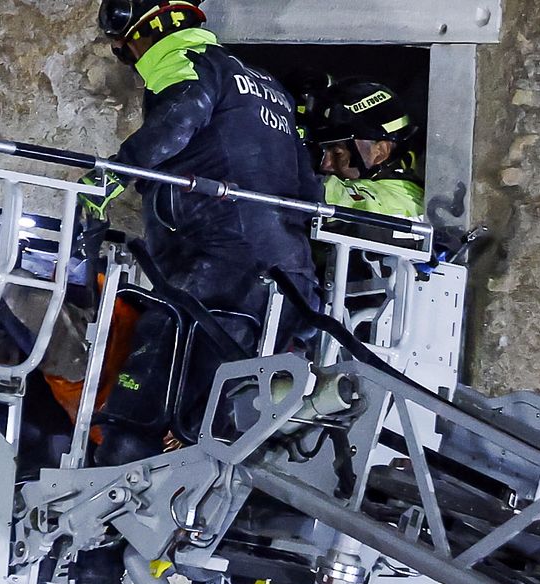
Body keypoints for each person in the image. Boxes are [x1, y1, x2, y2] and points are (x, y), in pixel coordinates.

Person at [85, 0, 322, 467]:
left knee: (145, 403)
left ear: (138, 34)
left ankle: (105, 517)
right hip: (289, 278)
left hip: (216, 269)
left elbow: (179, 119)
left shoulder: (186, 59)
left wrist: (107, 179)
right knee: (223, 416)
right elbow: (309, 187)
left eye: (123, 51)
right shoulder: (268, 88)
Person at [310, 79, 425, 219]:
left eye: (337, 153)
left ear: (380, 152)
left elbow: (321, 195)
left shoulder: (399, 201)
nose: (325, 165)